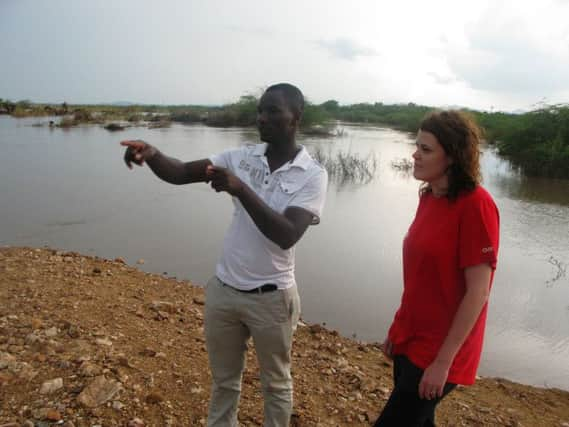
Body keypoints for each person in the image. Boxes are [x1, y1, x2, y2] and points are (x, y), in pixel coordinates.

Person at [121, 83, 328, 427]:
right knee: (224, 381)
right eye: (261, 110)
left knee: (276, 383)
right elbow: (182, 172)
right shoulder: (241, 157)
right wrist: (153, 154)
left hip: (272, 297)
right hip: (224, 291)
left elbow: (287, 235)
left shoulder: (313, 174)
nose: (263, 117)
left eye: (273, 110)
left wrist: (241, 189)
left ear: (297, 117)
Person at [374, 110, 500, 426]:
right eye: (417, 146)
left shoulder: (476, 206)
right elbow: (420, 277)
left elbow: (478, 292)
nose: (415, 155)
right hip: (411, 337)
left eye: (426, 149)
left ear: (453, 157)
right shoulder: (429, 196)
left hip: (442, 350)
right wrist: (398, 325)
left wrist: (444, 362)